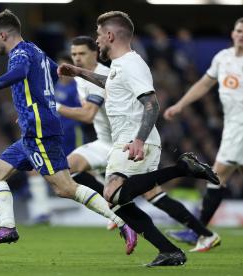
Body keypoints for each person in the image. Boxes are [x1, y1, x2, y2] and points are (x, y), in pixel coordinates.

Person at [0, 9, 137, 254]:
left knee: (64, 188)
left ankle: (125, 223)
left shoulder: (19, 55)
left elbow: (19, 73)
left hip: (39, 130)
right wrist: (33, 106)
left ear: (3, 35)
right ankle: (7, 228)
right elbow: (53, 71)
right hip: (34, 127)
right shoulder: (35, 50)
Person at [57, 11, 219, 266]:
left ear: (110, 35)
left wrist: (140, 140)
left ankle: (182, 168)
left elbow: (152, 104)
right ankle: (169, 251)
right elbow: (108, 81)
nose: (97, 40)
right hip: (125, 139)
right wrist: (78, 71)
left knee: (114, 195)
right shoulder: (120, 65)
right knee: (117, 203)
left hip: (134, 139)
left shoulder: (132, 63)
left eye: (99, 35)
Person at [163, 17, 243, 247]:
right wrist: (180, 104)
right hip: (233, 125)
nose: (241, 35)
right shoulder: (223, 58)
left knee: (217, 176)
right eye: (238, 30)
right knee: (219, 177)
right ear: (233, 33)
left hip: (240, 126)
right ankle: (198, 232)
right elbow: (204, 84)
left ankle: (197, 232)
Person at [26, 53, 86, 225]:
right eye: (60, 67)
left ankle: (103, 205)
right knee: (35, 170)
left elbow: (84, 113)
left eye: (66, 67)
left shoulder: (78, 88)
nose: (62, 71)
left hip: (72, 136)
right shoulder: (52, 85)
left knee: (79, 171)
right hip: (51, 136)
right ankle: (41, 212)